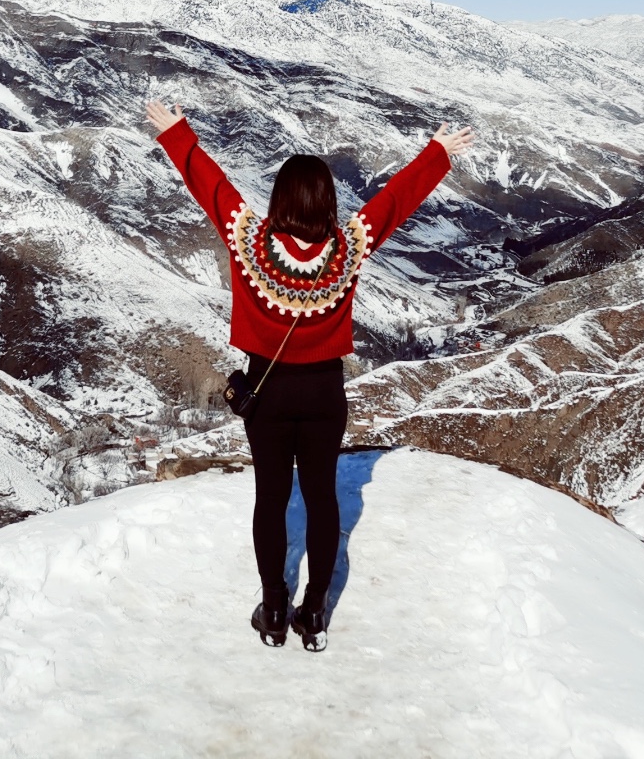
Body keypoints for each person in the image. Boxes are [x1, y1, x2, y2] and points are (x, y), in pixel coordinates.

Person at [146, 99, 473, 651]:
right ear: (327, 203)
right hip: (324, 392)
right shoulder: (345, 251)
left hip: (267, 395)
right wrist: (437, 153)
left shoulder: (249, 241)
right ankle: (314, 611)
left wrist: (178, 133)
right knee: (323, 500)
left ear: (278, 201)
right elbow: (393, 202)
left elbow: (212, 188)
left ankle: (274, 608)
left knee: (270, 499)